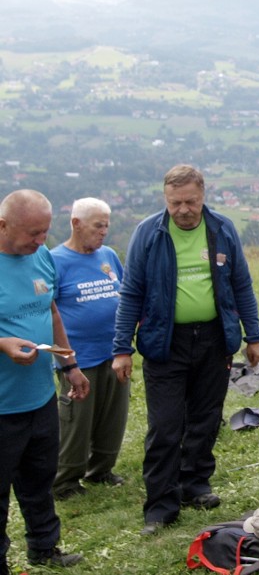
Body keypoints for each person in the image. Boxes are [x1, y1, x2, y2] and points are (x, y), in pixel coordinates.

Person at [112, 164, 259, 536]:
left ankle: (195, 484)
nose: (183, 209)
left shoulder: (222, 229)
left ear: (203, 196)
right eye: (175, 202)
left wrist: (253, 336)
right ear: (166, 200)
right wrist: (122, 348)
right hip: (165, 343)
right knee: (165, 426)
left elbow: (241, 284)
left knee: (206, 418)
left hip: (214, 340)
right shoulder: (149, 234)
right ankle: (161, 504)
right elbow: (131, 293)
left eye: (190, 202)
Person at [0, 190, 89, 573]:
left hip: (39, 398)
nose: (40, 242)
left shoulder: (42, 258)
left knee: (39, 480)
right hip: (1, 407)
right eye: (32, 234)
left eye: (45, 233)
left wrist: (69, 365)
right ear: (3, 225)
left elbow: (51, 310)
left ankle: (44, 547)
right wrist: (2, 343)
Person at [51, 198, 128, 501]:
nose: (104, 232)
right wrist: (66, 362)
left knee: (113, 416)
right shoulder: (55, 261)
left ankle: (101, 470)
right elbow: (50, 313)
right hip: (78, 359)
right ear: (76, 224)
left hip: (113, 354)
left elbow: (123, 291)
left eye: (107, 225)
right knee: (76, 424)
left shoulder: (107, 255)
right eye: (98, 226)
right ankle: (65, 481)